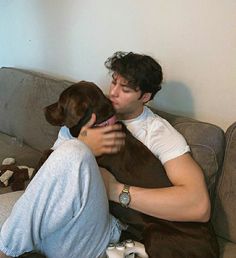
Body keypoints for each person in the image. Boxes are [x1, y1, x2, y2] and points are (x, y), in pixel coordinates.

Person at [0, 51, 210, 258]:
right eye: (114, 82)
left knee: (74, 150)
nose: (113, 93)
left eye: (125, 89)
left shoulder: (159, 133)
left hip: (107, 231)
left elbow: (199, 206)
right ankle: (16, 244)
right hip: (68, 219)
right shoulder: (86, 112)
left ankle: (6, 250)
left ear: (145, 97)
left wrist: (114, 188)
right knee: (73, 151)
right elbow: (51, 180)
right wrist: (84, 144)